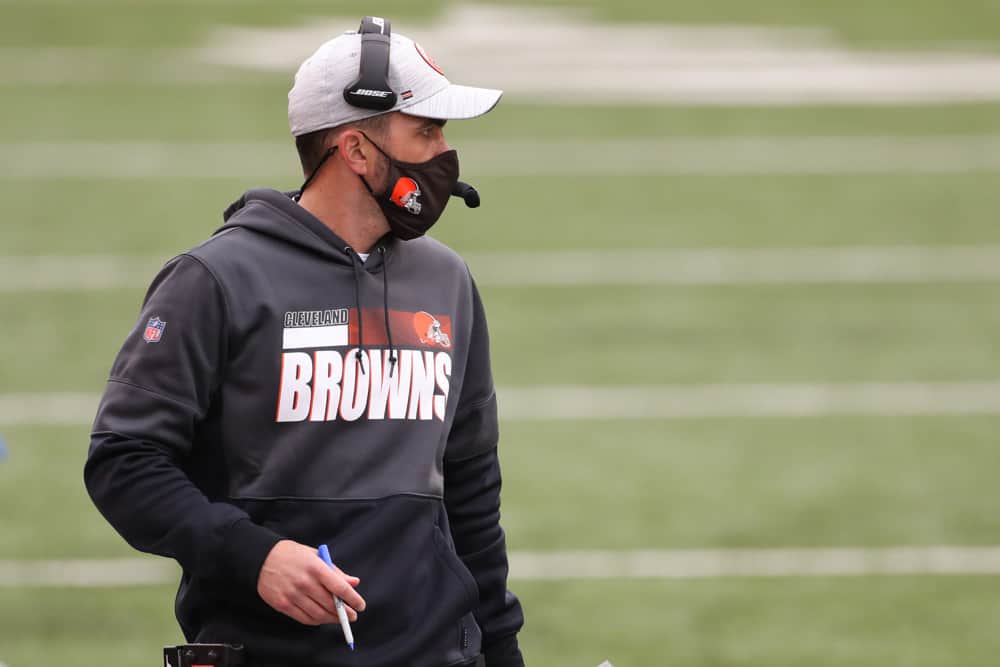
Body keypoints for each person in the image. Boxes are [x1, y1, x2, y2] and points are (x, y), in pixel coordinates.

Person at [84, 16, 525, 667]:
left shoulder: (446, 279)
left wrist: (503, 651)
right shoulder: (215, 279)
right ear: (355, 150)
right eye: (425, 131)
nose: (443, 154)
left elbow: (470, 485)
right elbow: (123, 461)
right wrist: (253, 553)